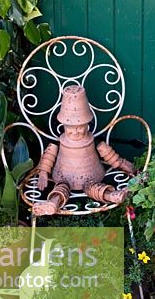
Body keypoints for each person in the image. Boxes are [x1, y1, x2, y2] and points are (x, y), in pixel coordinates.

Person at [32, 84, 134, 215]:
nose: (75, 132)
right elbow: (50, 153)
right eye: (70, 127)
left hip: (91, 176)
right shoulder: (60, 141)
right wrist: (43, 173)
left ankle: (111, 195)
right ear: (63, 125)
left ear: (87, 125)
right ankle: (52, 203)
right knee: (61, 189)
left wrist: (122, 164)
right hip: (64, 177)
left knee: (94, 188)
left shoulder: (92, 140)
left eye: (80, 127)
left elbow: (107, 152)